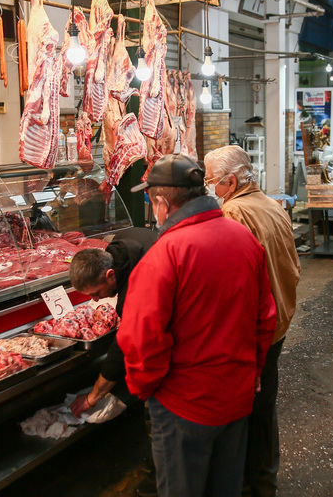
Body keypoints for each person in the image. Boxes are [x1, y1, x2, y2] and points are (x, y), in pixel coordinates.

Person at [118, 154, 277, 497]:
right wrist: (254, 370)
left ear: (161, 202)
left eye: (150, 200)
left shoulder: (164, 254)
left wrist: (146, 389)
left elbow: (141, 338)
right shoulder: (244, 238)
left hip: (183, 405)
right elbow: (266, 318)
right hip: (236, 396)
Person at [204, 145, 300, 497]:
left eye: (211, 180)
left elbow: (232, 284)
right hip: (279, 320)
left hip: (255, 330)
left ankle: (252, 483)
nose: (209, 187)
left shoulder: (233, 213)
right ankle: (263, 478)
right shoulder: (272, 205)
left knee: (248, 410)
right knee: (265, 407)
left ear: (230, 182)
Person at [68, 227, 157, 415]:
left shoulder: (135, 293)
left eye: (97, 293)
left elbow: (123, 348)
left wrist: (93, 397)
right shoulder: (124, 239)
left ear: (110, 275)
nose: (96, 300)